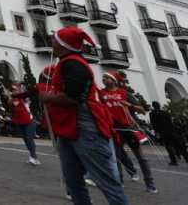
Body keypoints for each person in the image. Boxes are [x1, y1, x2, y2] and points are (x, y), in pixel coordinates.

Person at [40, 26, 128, 205]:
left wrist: (47, 97)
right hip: (69, 127)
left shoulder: (74, 64)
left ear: (64, 44)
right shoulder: (67, 63)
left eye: (55, 39)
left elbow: (74, 98)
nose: (52, 42)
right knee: (72, 180)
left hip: (84, 125)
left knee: (105, 181)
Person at [100, 72, 156, 192]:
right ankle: (119, 183)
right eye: (103, 77)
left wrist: (129, 104)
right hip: (113, 130)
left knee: (141, 158)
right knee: (116, 158)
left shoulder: (124, 93)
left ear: (114, 80)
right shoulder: (101, 94)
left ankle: (150, 184)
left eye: (106, 77)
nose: (103, 79)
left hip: (128, 129)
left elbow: (142, 110)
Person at [9, 82, 40, 165]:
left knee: (29, 138)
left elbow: (26, 98)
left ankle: (33, 157)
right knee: (26, 140)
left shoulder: (24, 98)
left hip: (29, 121)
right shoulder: (12, 99)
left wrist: (20, 90)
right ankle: (33, 156)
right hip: (19, 122)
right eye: (13, 90)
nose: (14, 91)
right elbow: (10, 105)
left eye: (15, 89)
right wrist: (10, 97)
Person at [149, 101, 187, 166]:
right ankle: (186, 158)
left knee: (168, 147)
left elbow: (154, 124)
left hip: (163, 132)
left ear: (153, 106)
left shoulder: (152, 113)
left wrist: (157, 132)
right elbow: (170, 122)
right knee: (179, 145)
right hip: (171, 131)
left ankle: (174, 161)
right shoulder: (165, 112)